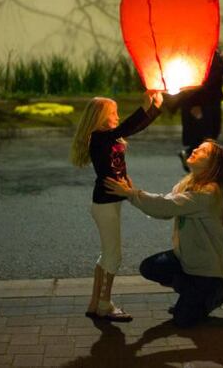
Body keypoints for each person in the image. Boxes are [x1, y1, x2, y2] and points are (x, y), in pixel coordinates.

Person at [104, 139, 223, 328]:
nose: (195, 149)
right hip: (186, 260)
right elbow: (165, 208)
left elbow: (165, 206)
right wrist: (132, 191)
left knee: (183, 320)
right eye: (197, 146)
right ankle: (192, 295)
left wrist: (130, 194)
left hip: (206, 272)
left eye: (202, 150)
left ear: (212, 165)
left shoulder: (210, 194)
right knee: (150, 267)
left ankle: (222, 289)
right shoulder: (188, 183)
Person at [70, 91, 163, 322]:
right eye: (113, 112)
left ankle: (94, 303)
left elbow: (133, 129)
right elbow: (127, 128)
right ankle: (105, 305)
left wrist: (155, 108)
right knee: (114, 256)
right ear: (100, 116)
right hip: (104, 205)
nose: (117, 115)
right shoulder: (99, 137)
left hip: (109, 203)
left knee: (107, 255)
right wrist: (145, 107)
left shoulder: (109, 137)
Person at [177, 49, 223, 172]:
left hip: (212, 100)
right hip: (200, 102)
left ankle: (193, 159)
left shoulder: (213, 53)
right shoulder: (196, 53)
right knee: (204, 135)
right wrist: (194, 103)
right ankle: (196, 162)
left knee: (212, 132)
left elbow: (218, 73)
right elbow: (193, 81)